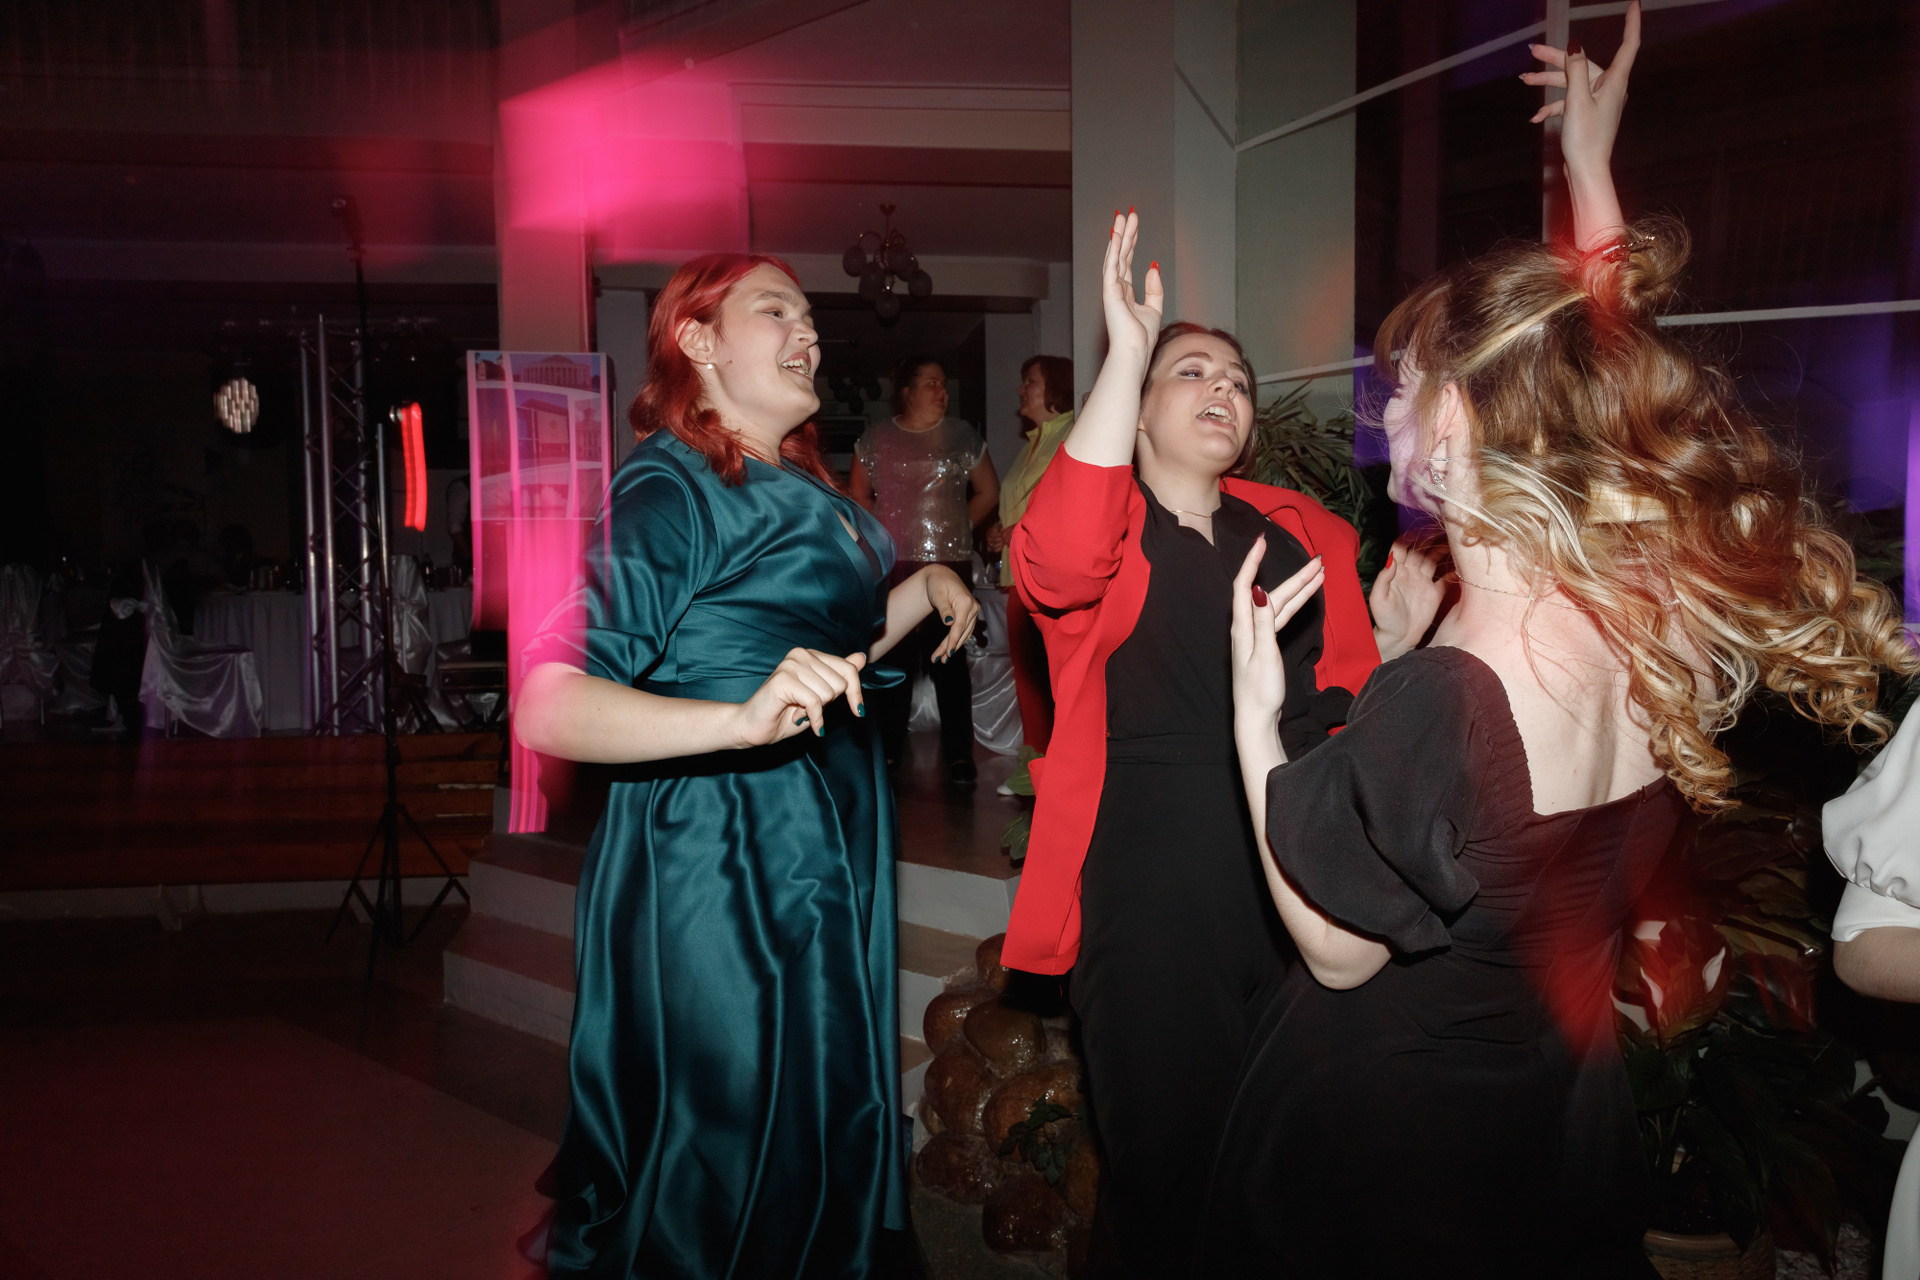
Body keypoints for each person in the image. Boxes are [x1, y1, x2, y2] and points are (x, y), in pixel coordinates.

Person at [1211, 9, 1915, 1272]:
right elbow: (1602, 384)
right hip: (1550, 1125)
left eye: (1401, 389)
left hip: (1399, 1146)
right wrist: (1593, 173)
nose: (1384, 417)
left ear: (1459, 423)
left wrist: (1258, 718)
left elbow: (1337, 946)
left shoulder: (1446, 699)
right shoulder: (1650, 620)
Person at [514, 252, 980, 1280]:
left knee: (813, 1093)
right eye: (777, 310)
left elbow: (830, 655)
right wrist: (735, 722)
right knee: (729, 1127)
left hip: (827, 833)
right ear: (698, 340)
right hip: (718, 847)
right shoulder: (673, 482)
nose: (808, 329)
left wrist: (925, 584)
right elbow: (546, 701)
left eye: (810, 315)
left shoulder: (801, 484)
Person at [999, 219, 1443, 1268]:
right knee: (1165, 1172)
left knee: (1273, 1171)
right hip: (1149, 877)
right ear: (1138, 408)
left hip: (1292, 871)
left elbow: (1337, 711)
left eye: (1238, 381)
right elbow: (1058, 564)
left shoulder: (1298, 536)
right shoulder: (1105, 530)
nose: (1224, 389)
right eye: (1190, 372)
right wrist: (1126, 348)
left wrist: (1393, 646)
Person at [850, 356, 1000, 788]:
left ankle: (959, 755)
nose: (942, 391)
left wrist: (958, 526)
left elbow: (989, 490)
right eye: (931, 383)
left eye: (943, 384)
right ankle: (888, 749)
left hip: (949, 564)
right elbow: (858, 494)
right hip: (895, 563)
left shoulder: (962, 435)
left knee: (950, 660)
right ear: (907, 391)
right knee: (893, 656)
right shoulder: (877, 437)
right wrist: (882, 536)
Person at [982, 354, 1074, 756]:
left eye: (1030, 381)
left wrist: (1017, 529)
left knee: (1056, 680)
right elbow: (1020, 504)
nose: (1021, 389)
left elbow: (1069, 502)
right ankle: (1034, 763)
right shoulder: (1031, 443)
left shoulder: (1073, 433)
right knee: (1029, 680)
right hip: (1018, 575)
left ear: (1055, 387)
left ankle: (1058, 767)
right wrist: (998, 532)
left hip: (1051, 575)